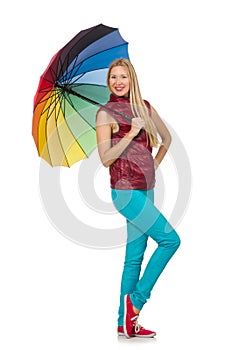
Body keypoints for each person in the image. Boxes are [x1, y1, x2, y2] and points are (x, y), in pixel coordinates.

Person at [96, 58, 181, 339]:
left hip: (146, 189)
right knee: (170, 240)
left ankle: (124, 323)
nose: (118, 82)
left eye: (123, 77)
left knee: (134, 259)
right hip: (125, 192)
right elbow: (106, 159)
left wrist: (154, 165)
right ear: (108, 83)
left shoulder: (144, 108)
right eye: (113, 78)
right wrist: (130, 132)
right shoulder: (105, 114)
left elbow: (166, 138)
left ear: (131, 79)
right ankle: (137, 300)